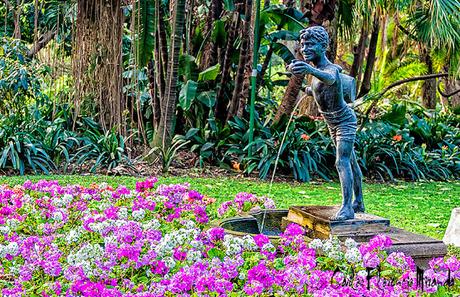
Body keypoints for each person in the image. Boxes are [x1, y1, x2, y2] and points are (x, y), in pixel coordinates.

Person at [288, 26, 364, 221]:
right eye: (303, 45)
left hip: (344, 121)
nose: (304, 49)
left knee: (342, 161)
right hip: (332, 123)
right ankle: (359, 201)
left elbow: (330, 80)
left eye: (310, 44)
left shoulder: (330, 70)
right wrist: (305, 88)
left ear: (323, 46)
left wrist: (308, 69)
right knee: (351, 162)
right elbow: (317, 91)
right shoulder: (317, 72)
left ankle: (347, 207)